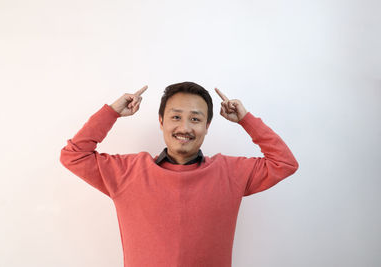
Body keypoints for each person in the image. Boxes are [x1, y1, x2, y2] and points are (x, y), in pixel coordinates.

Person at [60, 81, 299, 267]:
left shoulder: (230, 173)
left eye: (195, 119)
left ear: (207, 127)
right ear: (161, 121)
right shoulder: (127, 172)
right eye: (176, 117)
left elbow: (284, 163)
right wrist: (111, 112)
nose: (184, 127)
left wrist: (246, 120)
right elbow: (73, 155)